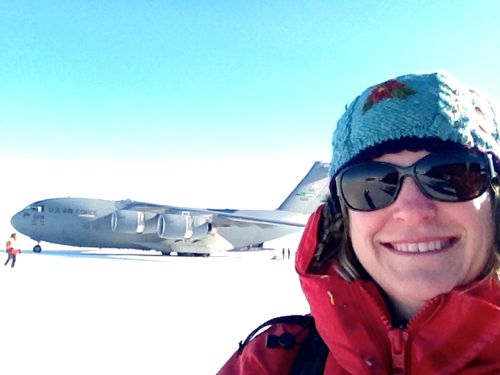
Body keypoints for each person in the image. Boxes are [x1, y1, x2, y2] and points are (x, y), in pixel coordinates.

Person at [218, 72, 500, 374]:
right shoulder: (274, 360)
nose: (412, 209)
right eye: (370, 185)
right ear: (343, 219)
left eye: (451, 176)